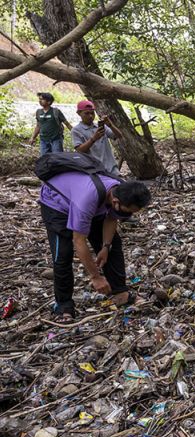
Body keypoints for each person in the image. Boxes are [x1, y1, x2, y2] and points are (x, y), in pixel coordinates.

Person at [39, 170, 151, 321]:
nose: (128, 216)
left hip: (92, 201)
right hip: (57, 203)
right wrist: (95, 277)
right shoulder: (86, 201)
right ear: (116, 202)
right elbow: (79, 240)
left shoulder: (121, 190)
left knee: (113, 244)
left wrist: (105, 247)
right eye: (128, 212)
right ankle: (63, 306)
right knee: (63, 254)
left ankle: (120, 292)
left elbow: (111, 219)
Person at [71, 100, 122, 177]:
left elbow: (119, 136)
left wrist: (110, 125)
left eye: (92, 113)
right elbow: (79, 150)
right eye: (86, 113)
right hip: (94, 170)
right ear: (79, 113)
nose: (90, 116)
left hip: (111, 168)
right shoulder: (76, 130)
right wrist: (93, 139)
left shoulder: (100, 126)